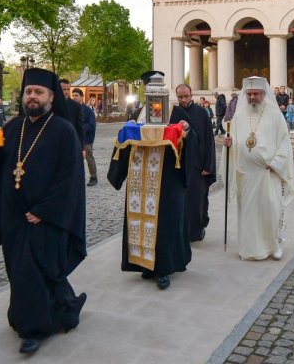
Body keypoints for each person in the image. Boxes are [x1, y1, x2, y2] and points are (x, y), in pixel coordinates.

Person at [0, 68, 87, 354]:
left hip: (45, 216)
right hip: (14, 214)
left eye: (38, 92)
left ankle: (33, 328)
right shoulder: (13, 128)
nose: (32, 97)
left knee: (36, 270)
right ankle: (66, 305)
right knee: (20, 270)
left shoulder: (64, 131)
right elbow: (2, 168)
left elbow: (71, 178)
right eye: (29, 92)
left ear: (51, 97)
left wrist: (45, 210)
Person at [108, 120, 192, 289]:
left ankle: (163, 269)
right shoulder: (140, 120)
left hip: (167, 186)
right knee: (140, 225)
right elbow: (124, 140)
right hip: (139, 187)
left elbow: (189, 145)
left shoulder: (176, 120)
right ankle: (145, 265)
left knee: (164, 226)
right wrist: (126, 128)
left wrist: (187, 131)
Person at [222, 76, 294, 260]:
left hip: (268, 172)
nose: (253, 97)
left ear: (264, 94)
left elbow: (284, 143)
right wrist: (228, 143)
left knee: (271, 210)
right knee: (248, 214)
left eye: (256, 93)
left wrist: (277, 163)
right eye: (250, 94)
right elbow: (234, 141)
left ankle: (274, 247)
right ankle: (249, 248)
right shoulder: (238, 116)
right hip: (246, 174)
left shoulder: (274, 115)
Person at [170, 84, 217, 242]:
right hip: (179, 165)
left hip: (197, 165)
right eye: (180, 97)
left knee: (197, 200)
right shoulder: (173, 113)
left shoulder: (201, 113)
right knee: (180, 200)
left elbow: (208, 140)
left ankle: (196, 231)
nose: (183, 100)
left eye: (186, 96)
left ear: (191, 95)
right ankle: (180, 232)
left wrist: (208, 165)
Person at [72, 87, 99, 186]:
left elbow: (91, 126)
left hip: (86, 140)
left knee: (89, 158)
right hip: (74, 139)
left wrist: (79, 127)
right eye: (73, 95)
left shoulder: (88, 111)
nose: (74, 97)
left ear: (82, 97)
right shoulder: (71, 109)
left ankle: (93, 177)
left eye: (76, 96)